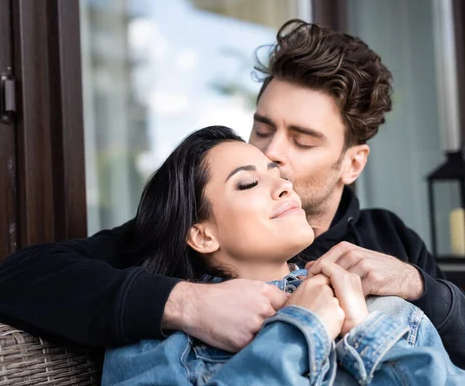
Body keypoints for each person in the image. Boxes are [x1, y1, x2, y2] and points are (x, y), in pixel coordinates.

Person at [0, 19, 465, 367]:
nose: (273, 153)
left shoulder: (390, 239)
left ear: (352, 163)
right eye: (262, 127)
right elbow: (15, 281)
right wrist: (187, 304)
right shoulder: (195, 241)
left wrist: (423, 289)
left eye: (302, 139)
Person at [101, 125, 465, 385]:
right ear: (202, 234)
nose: (284, 185)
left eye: (277, 175)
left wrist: (364, 333)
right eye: (248, 183)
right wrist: (301, 329)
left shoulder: (380, 306)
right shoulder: (160, 338)